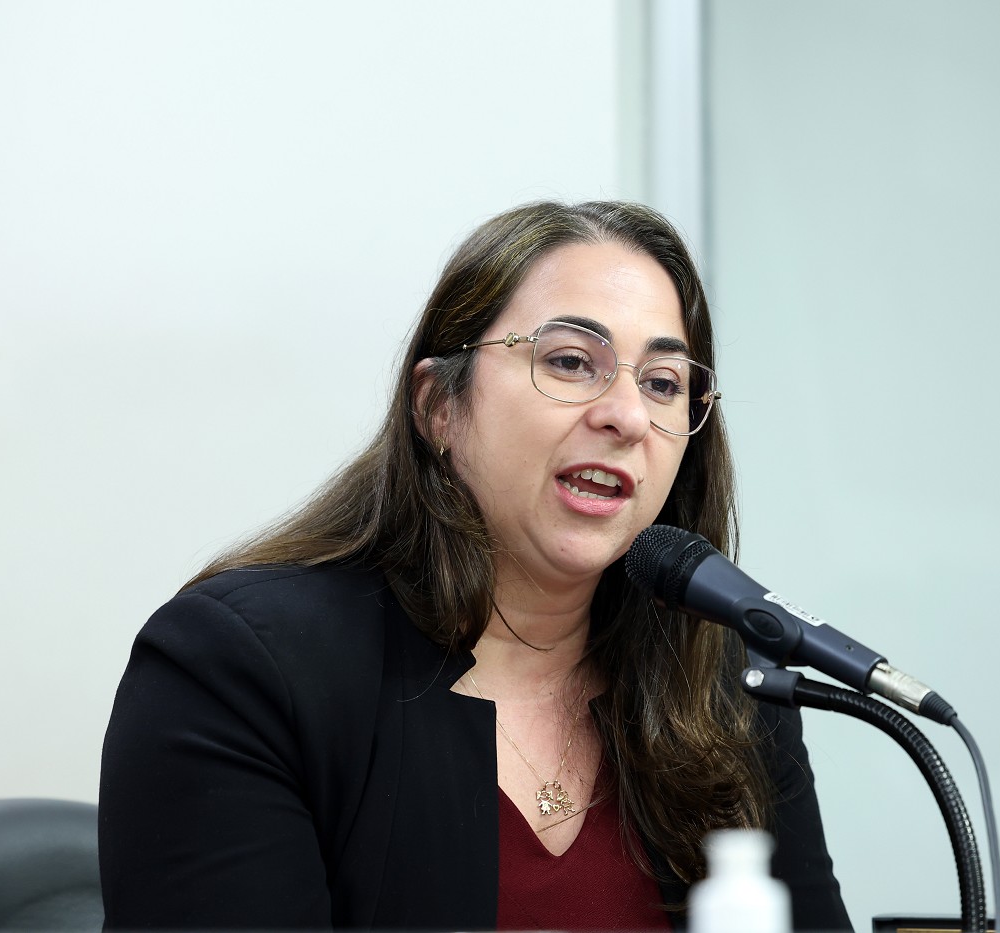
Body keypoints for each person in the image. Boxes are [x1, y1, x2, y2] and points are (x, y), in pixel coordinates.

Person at [98, 200, 851, 932]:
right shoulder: (243, 668)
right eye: (570, 362)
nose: (626, 417)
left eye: (662, 383)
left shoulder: (724, 691)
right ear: (439, 407)